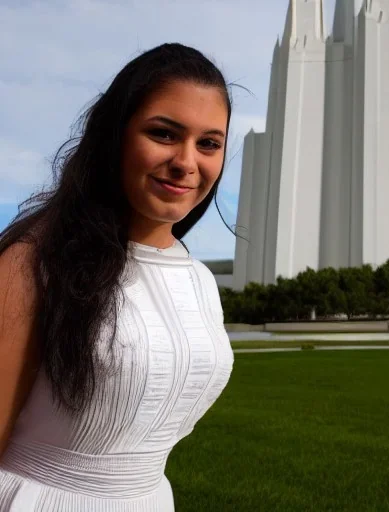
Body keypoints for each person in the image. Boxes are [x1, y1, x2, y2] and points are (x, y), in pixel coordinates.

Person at [0, 43, 234, 511]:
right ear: (115, 136)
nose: (188, 162)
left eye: (208, 143)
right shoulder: (35, 263)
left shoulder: (199, 280)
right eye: (164, 134)